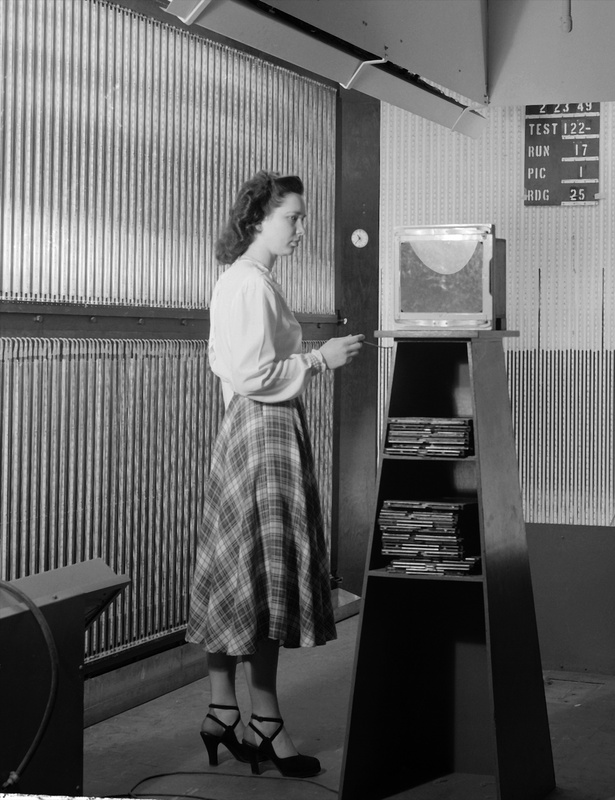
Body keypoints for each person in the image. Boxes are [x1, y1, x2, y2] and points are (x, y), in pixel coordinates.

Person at [185, 171, 364, 778]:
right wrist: (320, 358)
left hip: (256, 433)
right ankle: (263, 723)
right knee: (258, 576)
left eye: (301, 217)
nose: (300, 228)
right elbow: (250, 373)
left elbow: (233, 369)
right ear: (258, 218)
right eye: (292, 216)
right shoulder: (246, 285)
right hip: (262, 435)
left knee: (243, 572)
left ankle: (225, 712)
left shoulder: (247, 281)